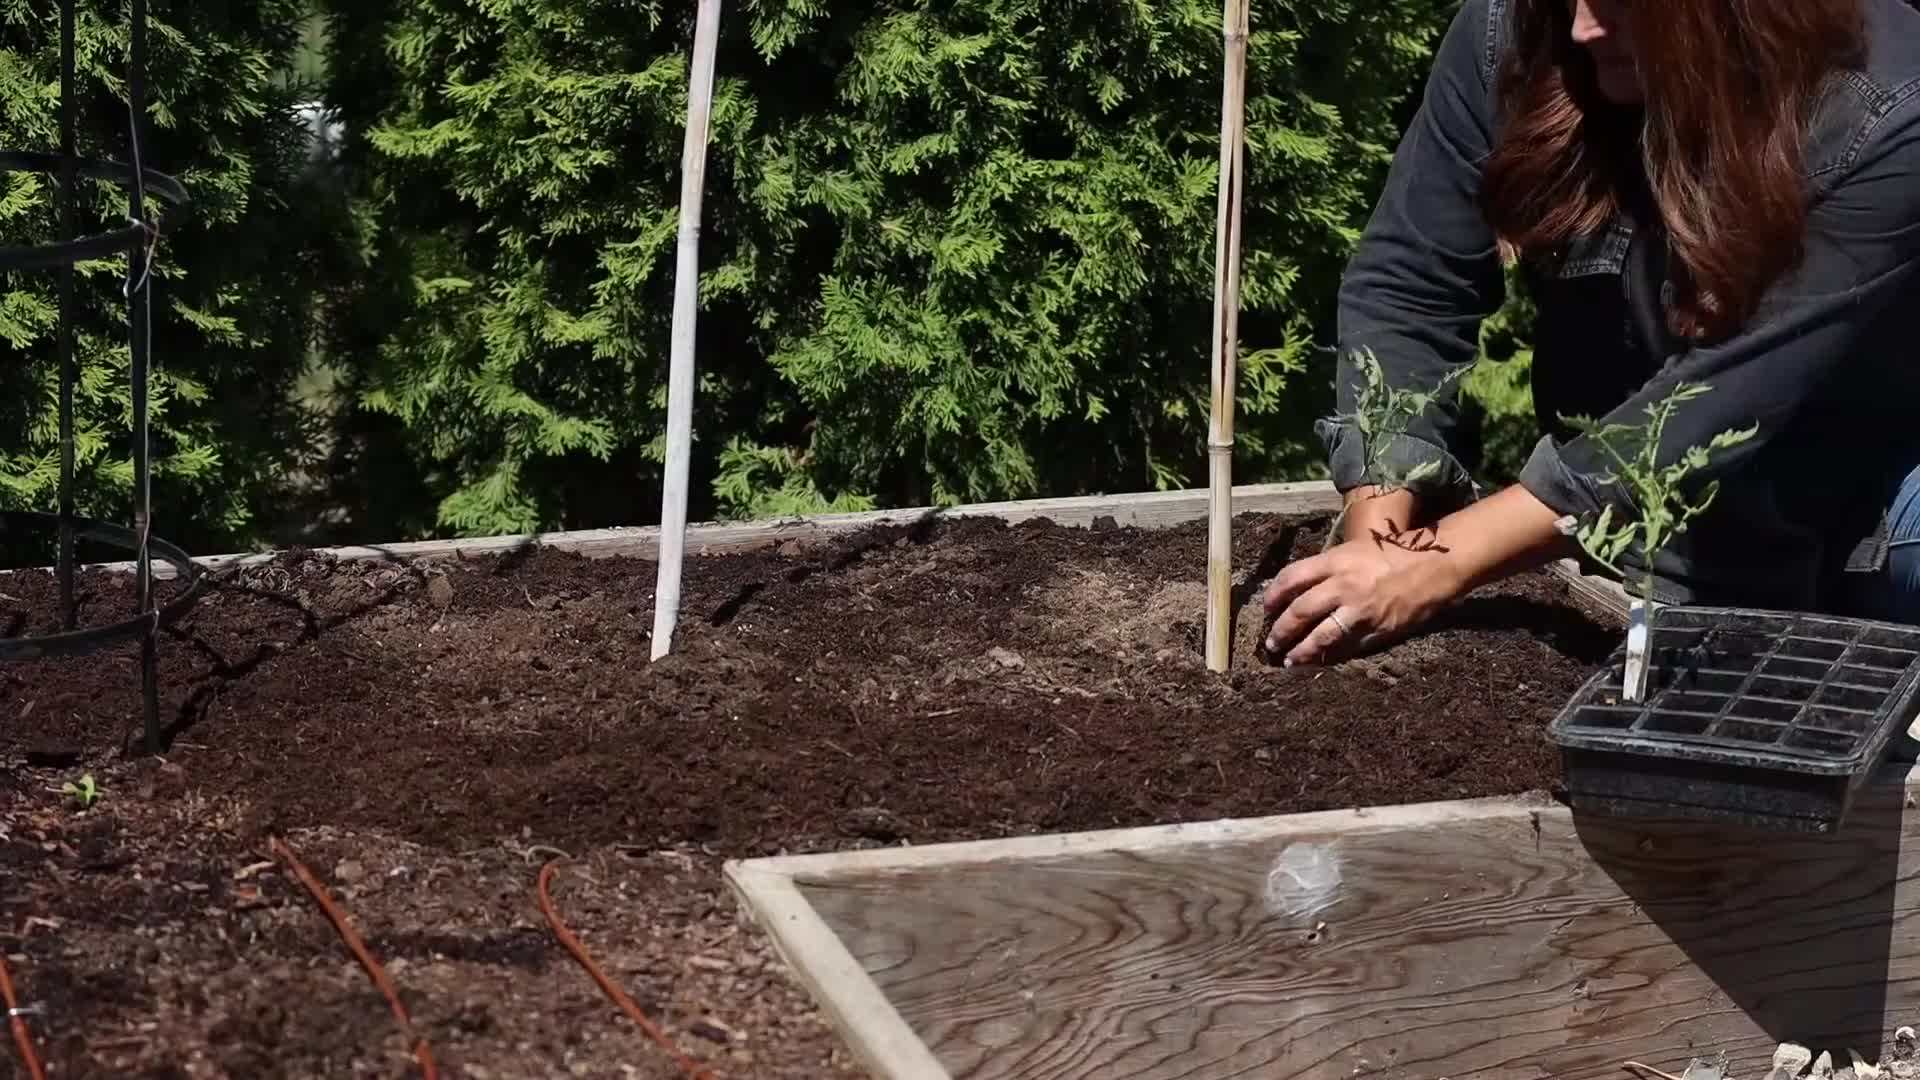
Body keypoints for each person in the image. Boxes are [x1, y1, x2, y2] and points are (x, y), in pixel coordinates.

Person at [1263, 0, 1920, 667]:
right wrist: (1379, 531)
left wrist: (1442, 562)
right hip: (1617, 525)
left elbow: (1704, 410)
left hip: (1860, 511)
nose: (1579, 25)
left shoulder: (1885, 111)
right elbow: (1412, 282)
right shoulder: (1519, 29)